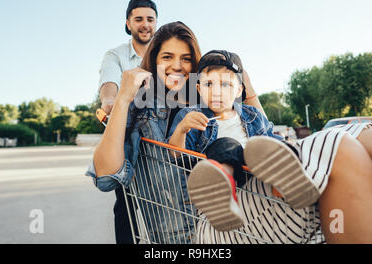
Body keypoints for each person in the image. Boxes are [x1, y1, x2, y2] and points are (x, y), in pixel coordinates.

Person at [168, 50, 372, 243]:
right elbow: (174, 157)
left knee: (281, 143)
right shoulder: (192, 117)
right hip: (235, 196)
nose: (217, 92)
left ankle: (284, 182)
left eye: (225, 85)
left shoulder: (252, 115)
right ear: (199, 88)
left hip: (261, 181)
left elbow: (271, 144)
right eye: (209, 85)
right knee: (226, 146)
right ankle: (225, 190)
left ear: (240, 90)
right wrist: (182, 130)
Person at [87, 22, 266, 243]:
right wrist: (123, 97)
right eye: (167, 57)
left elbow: (260, 131)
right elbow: (105, 177)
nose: (177, 66)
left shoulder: (213, 100)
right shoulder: (143, 109)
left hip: (233, 227)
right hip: (179, 234)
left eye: (186, 58)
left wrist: (246, 85)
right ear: (154, 60)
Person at [97, 0, 157, 244]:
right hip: (129, 135)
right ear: (128, 23)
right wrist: (110, 101)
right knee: (127, 205)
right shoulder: (116, 55)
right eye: (139, 19)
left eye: (150, 19)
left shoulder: (164, 53)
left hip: (162, 137)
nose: (145, 24)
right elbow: (109, 83)